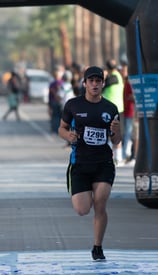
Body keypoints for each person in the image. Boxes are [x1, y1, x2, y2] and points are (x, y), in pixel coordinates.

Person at [58, 66, 121, 261]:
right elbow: (61, 128)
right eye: (91, 81)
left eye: (98, 81)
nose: (95, 84)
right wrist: (68, 135)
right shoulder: (73, 105)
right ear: (84, 83)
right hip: (80, 165)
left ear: (102, 84)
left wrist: (116, 130)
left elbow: (117, 140)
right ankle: (86, 197)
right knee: (82, 209)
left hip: (103, 163)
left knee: (100, 202)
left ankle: (97, 247)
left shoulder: (110, 108)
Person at [103, 59, 124, 165]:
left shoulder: (113, 77)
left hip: (111, 108)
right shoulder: (118, 76)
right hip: (116, 107)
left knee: (111, 132)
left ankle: (117, 157)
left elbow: (102, 86)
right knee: (113, 132)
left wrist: (105, 76)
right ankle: (116, 157)